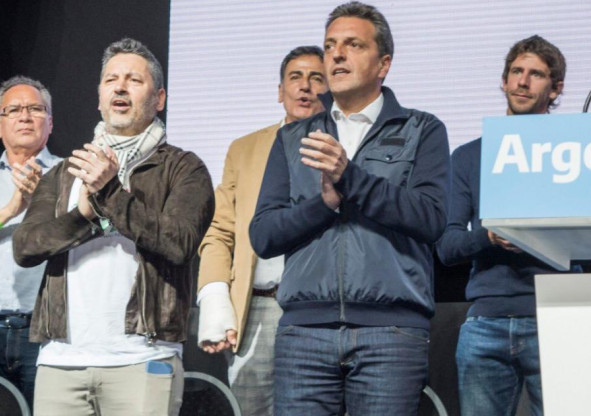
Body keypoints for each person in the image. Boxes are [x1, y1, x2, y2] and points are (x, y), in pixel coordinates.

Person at [249, 2, 450, 415]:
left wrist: (351, 178)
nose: (337, 54)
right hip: (304, 334)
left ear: (384, 64)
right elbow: (263, 235)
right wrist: (323, 205)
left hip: (390, 334)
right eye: (330, 46)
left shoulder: (422, 129)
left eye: (353, 45)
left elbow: (430, 219)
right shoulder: (293, 138)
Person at [13, 38, 214, 416]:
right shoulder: (63, 173)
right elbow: (26, 246)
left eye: (134, 80)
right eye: (111, 80)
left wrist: (109, 193)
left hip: (143, 358)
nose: (120, 87)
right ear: (100, 98)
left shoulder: (184, 168)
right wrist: (85, 217)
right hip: (62, 361)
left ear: (159, 98)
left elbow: (180, 243)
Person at [436, 35, 570, 416]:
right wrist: (489, 235)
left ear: (555, 88)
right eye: (516, 71)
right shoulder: (468, 157)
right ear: (504, 79)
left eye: (536, 75)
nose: (523, 82)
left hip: (554, 316)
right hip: (486, 322)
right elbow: (447, 247)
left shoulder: (574, 151)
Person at [196, 45, 326, 415]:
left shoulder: (342, 145)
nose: (305, 87)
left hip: (318, 309)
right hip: (258, 307)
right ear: (280, 90)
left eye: (317, 78)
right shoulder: (245, 149)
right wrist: (217, 302)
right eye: (295, 78)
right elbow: (219, 230)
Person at [0, 76, 62, 409]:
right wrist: (11, 210)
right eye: (14, 110)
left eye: (35, 109)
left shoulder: (71, 175)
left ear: (50, 123)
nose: (25, 116)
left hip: (46, 332)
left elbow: (97, 228)